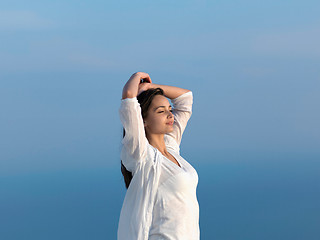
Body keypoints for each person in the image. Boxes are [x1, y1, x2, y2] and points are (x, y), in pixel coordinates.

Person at [117, 72, 200, 240]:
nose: (170, 115)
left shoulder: (171, 147)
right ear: (143, 121)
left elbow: (185, 99)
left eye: (169, 110)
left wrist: (150, 87)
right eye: (161, 111)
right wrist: (138, 75)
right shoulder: (141, 155)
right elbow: (128, 97)